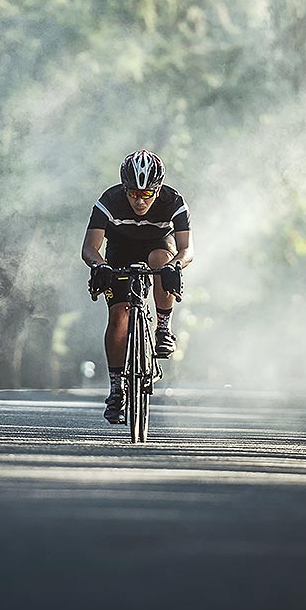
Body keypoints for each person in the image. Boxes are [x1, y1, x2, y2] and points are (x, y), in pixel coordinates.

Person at [81, 149, 193, 424]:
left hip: (158, 246)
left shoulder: (174, 202)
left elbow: (187, 249)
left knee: (163, 262)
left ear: (158, 190)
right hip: (120, 250)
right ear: (124, 188)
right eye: (133, 193)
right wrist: (100, 266)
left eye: (146, 194)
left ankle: (163, 328)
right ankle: (116, 388)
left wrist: (176, 266)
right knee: (118, 314)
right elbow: (90, 248)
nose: (139, 201)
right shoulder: (109, 201)